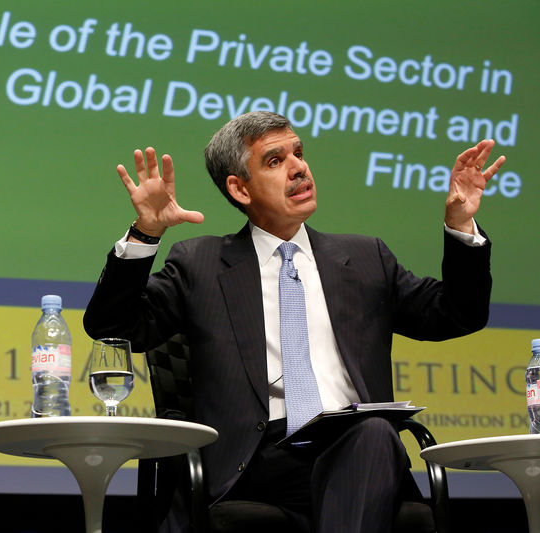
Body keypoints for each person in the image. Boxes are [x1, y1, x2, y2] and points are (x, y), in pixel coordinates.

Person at [83, 111, 504, 532]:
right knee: (373, 436)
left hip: (355, 449)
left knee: (374, 432)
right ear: (239, 189)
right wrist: (145, 234)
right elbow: (114, 328)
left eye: (298, 153)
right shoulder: (202, 265)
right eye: (275, 160)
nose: (299, 167)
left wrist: (461, 225)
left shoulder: (363, 259)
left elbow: (456, 314)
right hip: (255, 463)